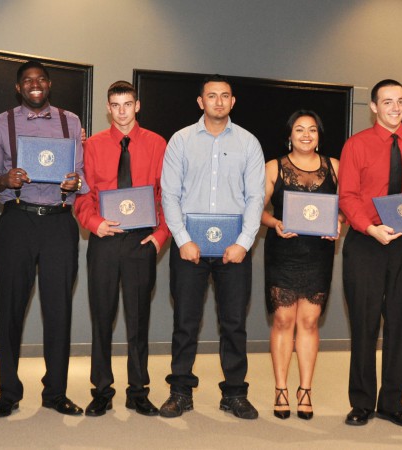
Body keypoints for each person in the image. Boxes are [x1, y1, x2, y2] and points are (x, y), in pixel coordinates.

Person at [0, 60, 88, 417]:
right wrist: (5, 181)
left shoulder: (70, 122)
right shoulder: (1, 124)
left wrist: (75, 183)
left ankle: (55, 392)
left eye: (41, 79)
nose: (35, 84)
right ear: (18, 88)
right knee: (11, 308)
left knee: (58, 310)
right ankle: (8, 392)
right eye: (27, 80)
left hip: (60, 223)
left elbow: (82, 175)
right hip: (17, 221)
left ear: (49, 83)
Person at [159, 74, 265, 420]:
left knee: (233, 322)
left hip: (234, 250)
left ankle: (234, 393)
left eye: (225, 96)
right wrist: (183, 239)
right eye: (211, 96)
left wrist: (244, 243)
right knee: (185, 322)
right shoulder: (181, 141)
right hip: (188, 247)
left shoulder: (249, 143)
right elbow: (169, 195)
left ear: (233, 102)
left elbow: (255, 198)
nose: (218, 101)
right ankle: (180, 391)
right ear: (200, 102)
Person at [338, 79, 402, 428]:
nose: (395, 108)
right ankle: (362, 402)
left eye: (401, 101)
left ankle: (392, 403)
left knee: (399, 326)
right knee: (364, 325)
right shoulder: (356, 145)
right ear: (373, 107)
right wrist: (371, 228)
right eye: (387, 102)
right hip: (366, 242)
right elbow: (348, 196)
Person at [74, 80, 169, 417]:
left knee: (138, 319)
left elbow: (168, 197)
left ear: (137, 105)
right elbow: (83, 196)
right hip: (104, 239)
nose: (122, 111)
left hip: (142, 241)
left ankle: (138, 390)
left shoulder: (158, 144)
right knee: (102, 317)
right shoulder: (93, 146)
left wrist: (160, 237)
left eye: (128, 104)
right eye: (116, 105)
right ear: (108, 108)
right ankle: (101, 389)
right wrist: (93, 222)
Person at [261, 110, 339, 420]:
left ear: (319, 136)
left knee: (308, 322)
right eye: (299, 129)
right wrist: (275, 222)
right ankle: (281, 389)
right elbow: (257, 211)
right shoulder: (273, 167)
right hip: (283, 252)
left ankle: (305, 390)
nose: (306, 134)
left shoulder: (334, 166)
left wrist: (338, 225)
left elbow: (345, 209)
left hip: (318, 254)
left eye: (312, 130)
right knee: (283, 320)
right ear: (289, 135)